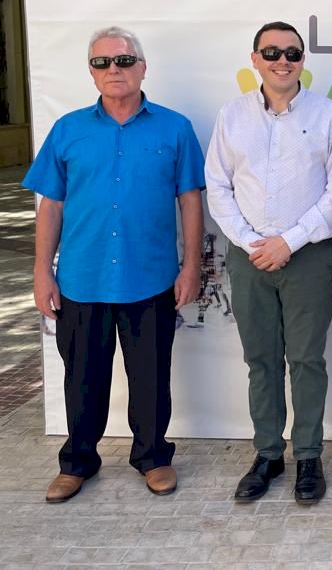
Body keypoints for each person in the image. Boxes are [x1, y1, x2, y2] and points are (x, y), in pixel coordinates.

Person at [24, 27, 205, 502]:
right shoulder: (68, 130)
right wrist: (42, 270)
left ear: (143, 68)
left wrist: (191, 266)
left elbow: (190, 200)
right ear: (91, 72)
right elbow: (51, 204)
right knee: (82, 378)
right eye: (101, 62)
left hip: (151, 277)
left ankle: (153, 458)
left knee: (151, 377)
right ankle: (77, 462)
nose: (113, 70)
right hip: (81, 279)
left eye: (123, 61)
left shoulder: (175, 128)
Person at [205, 21, 332, 505]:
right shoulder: (232, 116)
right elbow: (218, 186)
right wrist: (252, 241)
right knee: (261, 360)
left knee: (306, 360)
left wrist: (288, 242)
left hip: (307, 256)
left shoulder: (328, 115)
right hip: (249, 257)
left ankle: (309, 456)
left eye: (292, 53)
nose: (282, 61)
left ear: (302, 61)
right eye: (272, 52)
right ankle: (268, 454)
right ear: (255, 60)